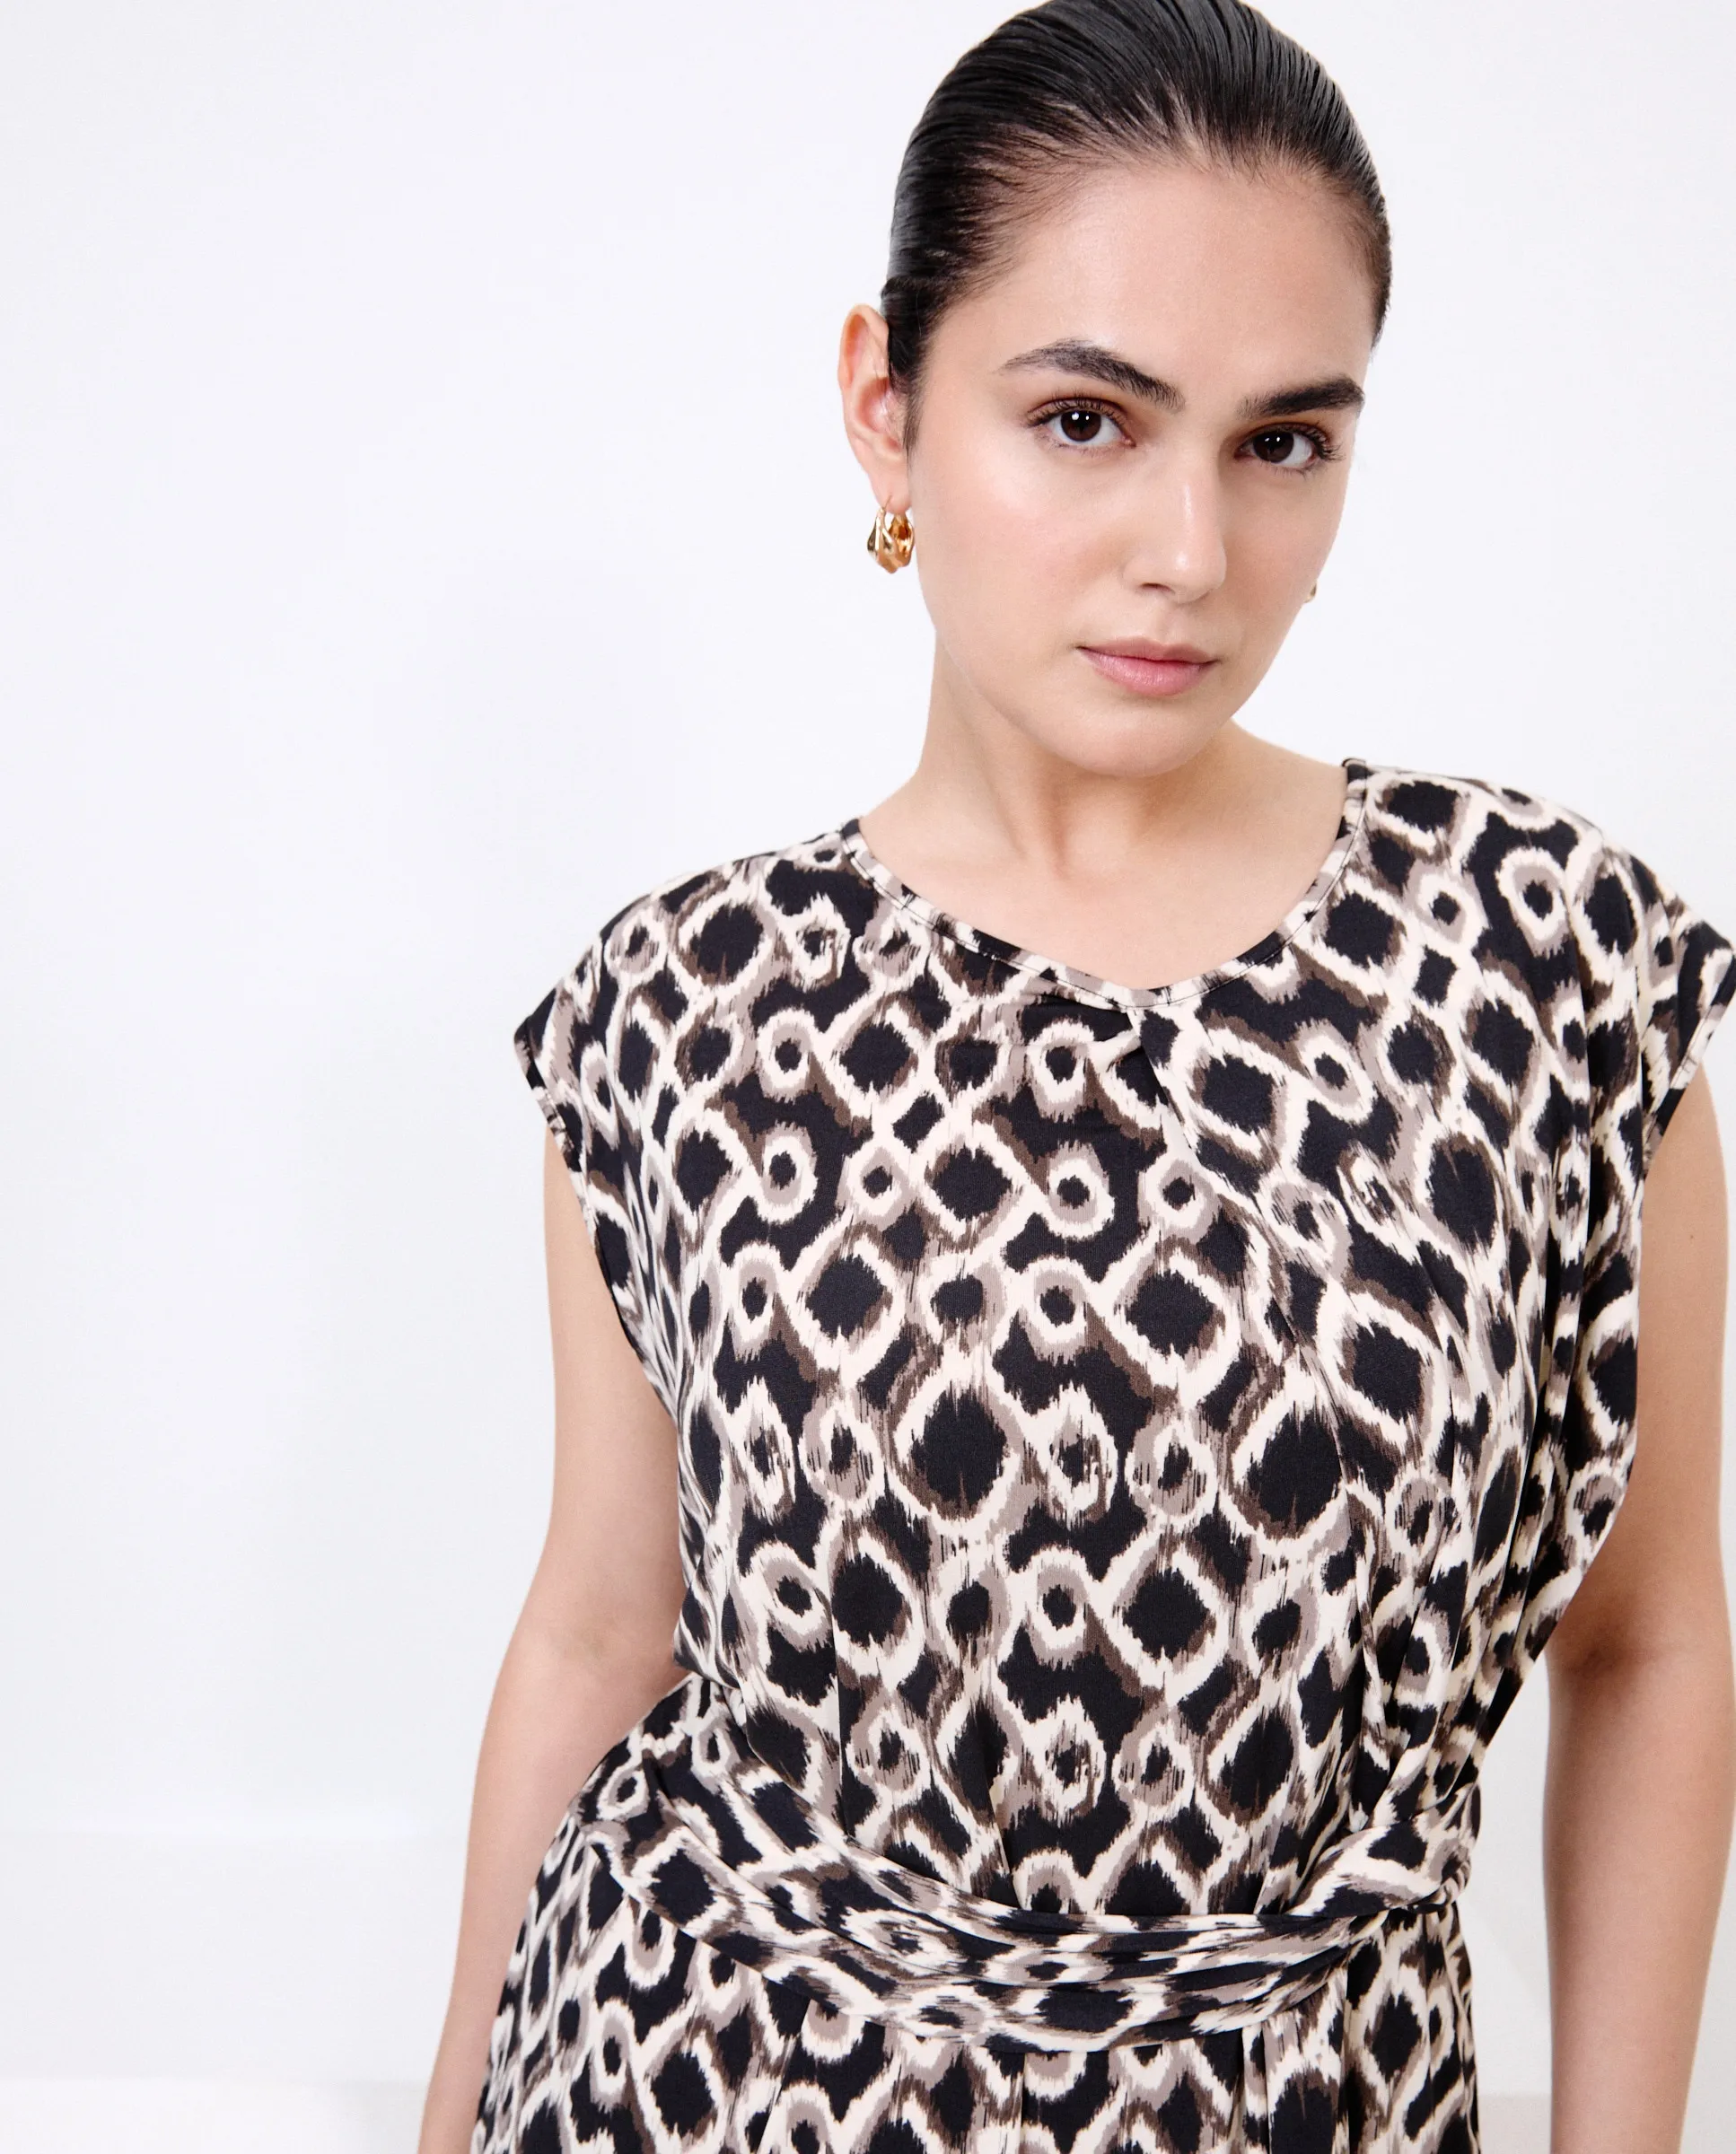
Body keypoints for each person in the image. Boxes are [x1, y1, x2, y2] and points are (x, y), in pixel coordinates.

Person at [417, 4, 1736, 2150]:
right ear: (887, 409)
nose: (1189, 552)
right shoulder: (679, 1005)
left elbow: (1651, 1641)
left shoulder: (1551, 965)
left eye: (1281, 443)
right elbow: (594, 1635)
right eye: (1084, 419)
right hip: (697, 2076)